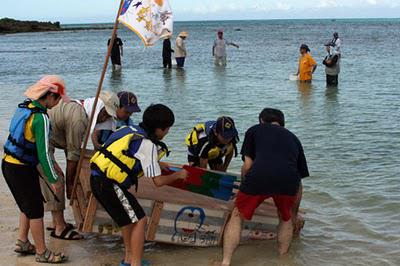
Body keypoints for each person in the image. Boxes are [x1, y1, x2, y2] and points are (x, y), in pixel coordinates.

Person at [90, 104, 188, 266]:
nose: (167, 132)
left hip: (97, 179)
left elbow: (125, 154)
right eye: (167, 129)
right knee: (140, 220)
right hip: (109, 185)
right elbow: (158, 182)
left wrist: (158, 163)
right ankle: (136, 263)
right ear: (158, 129)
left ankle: (129, 259)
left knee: (129, 221)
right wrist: (179, 175)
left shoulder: (130, 130)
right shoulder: (148, 145)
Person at [219, 108, 309, 265]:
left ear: (261, 121)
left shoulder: (254, 130)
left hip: (260, 175)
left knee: (237, 215)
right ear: (282, 124)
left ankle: (225, 262)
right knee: (285, 219)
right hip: (289, 180)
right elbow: (299, 181)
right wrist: (293, 212)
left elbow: (247, 166)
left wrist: (242, 191)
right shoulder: (294, 138)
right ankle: (283, 260)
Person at [2, 75, 69, 263]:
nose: (57, 103)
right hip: (21, 169)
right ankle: (42, 252)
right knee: (36, 211)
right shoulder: (41, 118)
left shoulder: (24, 107)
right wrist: (54, 179)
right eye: (57, 99)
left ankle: (23, 241)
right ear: (49, 96)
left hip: (8, 164)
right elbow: (44, 154)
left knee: (28, 204)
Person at [39, 98, 88, 240]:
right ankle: (60, 228)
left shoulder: (82, 110)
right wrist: (70, 183)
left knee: (54, 179)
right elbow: (73, 152)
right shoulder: (79, 119)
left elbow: (71, 146)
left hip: (48, 139)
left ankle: (56, 222)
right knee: (57, 179)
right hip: (42, 143)